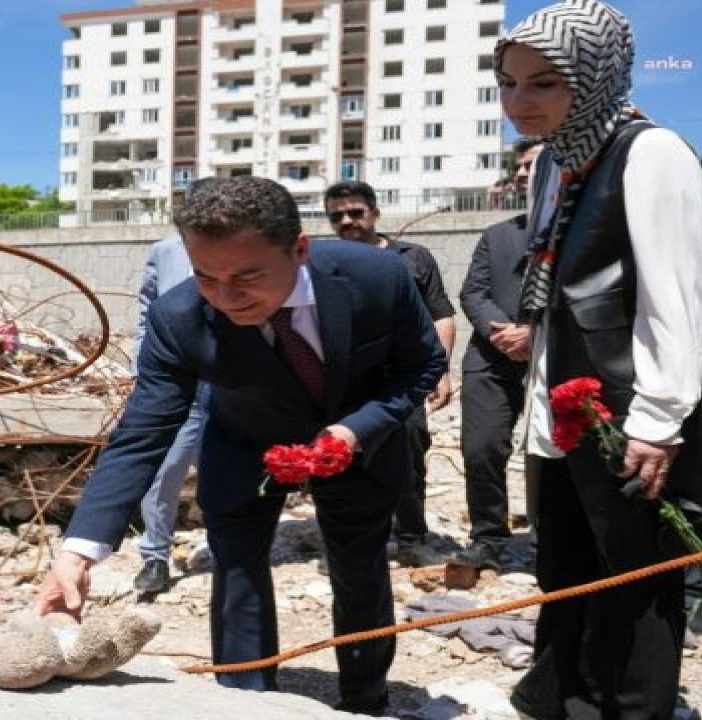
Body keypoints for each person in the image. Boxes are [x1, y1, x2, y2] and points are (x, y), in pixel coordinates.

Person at [35, 176, 446, 714]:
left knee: (359, 570)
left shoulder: (378, 276)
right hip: (244, 441)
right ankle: (246, 699)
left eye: (248, 276)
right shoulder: (178, 317)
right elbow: (143, 431)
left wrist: (357, 429)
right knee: (237, 571)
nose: (227, 299)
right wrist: (79, 550)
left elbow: (422, 366)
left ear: (298, 249)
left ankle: (364, 699)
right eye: (207, 277)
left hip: (357, 445)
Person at [496, 2, 702, 717]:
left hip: (632, 413)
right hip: (568, 407)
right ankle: (565, 698)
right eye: (509, 83)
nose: (520, 102)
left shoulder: (651, 151)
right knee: (567, 568)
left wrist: (658, 419)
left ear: (595, 77)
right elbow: (556, 291)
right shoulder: (558, 162)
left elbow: (677, 297)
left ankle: (633, 707)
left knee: (636, 579)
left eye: (544, 83)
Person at [323, 180, 456, 568]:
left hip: (405, 376)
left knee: (410, 448)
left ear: (375, 213)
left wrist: (439, 370)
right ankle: (357, 536)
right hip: (347, 381)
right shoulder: (326, 262)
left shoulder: (413, 258)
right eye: (337, 216)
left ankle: (412, 535)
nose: (347, 221)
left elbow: (441, 316)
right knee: (345, 454)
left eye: (355, 213)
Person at [454, 138, 543, 572]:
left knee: (551, 452)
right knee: (481, 447)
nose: (523, 174)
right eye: (520, 167)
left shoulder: (588, 232)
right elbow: (472, 291)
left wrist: (537, 334)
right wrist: (502, 332)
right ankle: (488, 536)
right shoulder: (497, 235)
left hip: (558, 357)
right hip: (491, 356)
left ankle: (552, 538)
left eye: (533, 165)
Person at [131, 223, 209, 594]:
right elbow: (147, 309)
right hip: (179, 383)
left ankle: (232, 546)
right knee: (165, 469)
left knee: (226, 469)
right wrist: (142, 364)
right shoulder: (165, 251)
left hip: (232, 383)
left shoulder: (244, 246)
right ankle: (155, 556)